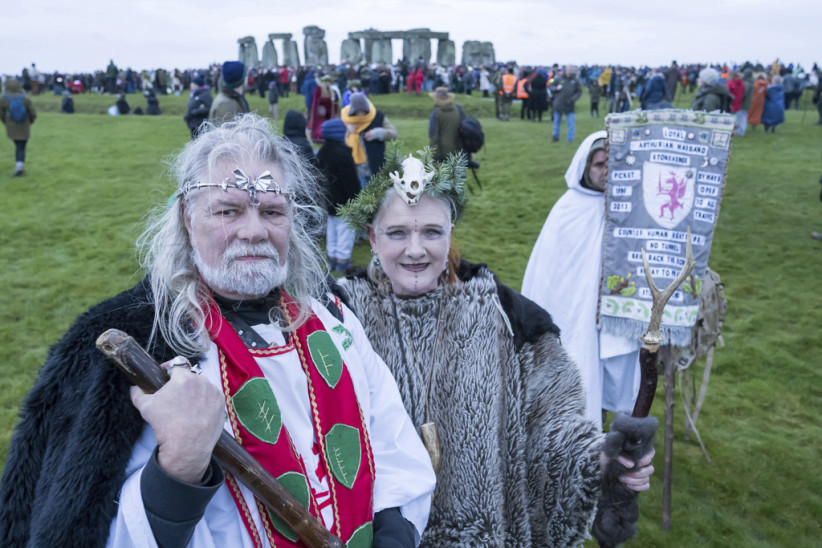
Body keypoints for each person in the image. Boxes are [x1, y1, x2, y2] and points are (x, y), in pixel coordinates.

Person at [0, 114, 435, 547]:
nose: (254, 230)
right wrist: (178, 466)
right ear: (188, 219)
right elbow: (77, 525)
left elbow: (388, 432)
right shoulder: (134, 347)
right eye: (228, 210)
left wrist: (393, 534)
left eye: (271, 211)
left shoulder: (330, 314)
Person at [334, 147, 655, 546]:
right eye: (397, 233)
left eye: (431, 232)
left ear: (450, 232)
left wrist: (600, 459)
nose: (415, 249)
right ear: (372, 237)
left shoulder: (509, 318)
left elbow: (552, 425)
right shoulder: (336, 317)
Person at [522, 132, 642, 428]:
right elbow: (550, 275)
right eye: (600, 164)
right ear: (585, 167)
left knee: (608, 374)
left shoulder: (629, 209)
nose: (607, 172)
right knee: (580, 368)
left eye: (614, 164)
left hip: (613, 308)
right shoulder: (568, 210)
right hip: (573, 311)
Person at [317, 118, 360, 273]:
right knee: (345, 230)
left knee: (332, 228)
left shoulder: (322, 152)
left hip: (330, 199)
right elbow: (351, 179)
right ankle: (343, 261)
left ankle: (333, 258)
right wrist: (356, 197)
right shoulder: (342, 153)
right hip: (345, 199)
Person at [340, 92, 397, 188]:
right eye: (357, 112)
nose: (361, 115)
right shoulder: (347, 120)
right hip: (356, 169)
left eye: (363, 111)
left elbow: (394, 134)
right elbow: (338, 141)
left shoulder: (378, 117)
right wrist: (346, 128)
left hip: (376, 166)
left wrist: (380, 133)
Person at [0, 78, 37, 176]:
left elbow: (1, 114)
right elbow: (33, 112)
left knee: (18, 145)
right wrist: (31, 120)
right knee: (22, 146)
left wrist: (6, 122)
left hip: (11, 126)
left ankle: (19, 166)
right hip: (24, 125)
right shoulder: (24, 98)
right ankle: (20, 166)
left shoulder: (3, 99)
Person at [209, 61, 249, 125]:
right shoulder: (225, 104)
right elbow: (228, 133)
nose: (247, 77)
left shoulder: (233, 97)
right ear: (240, 79)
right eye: (246, 75)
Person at [550, 64, 583, 142]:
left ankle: (570, 139)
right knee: (556, 122)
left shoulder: (575, 80)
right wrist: (556, 88)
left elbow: (579, 91)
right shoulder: (558, 77)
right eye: (569, 69)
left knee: (571, 123)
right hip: (558, 104)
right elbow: (550, 86)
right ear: (566, 70)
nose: (571, 71)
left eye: (572, 69)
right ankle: (555, 137)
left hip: (569, 105)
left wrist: (573, 99)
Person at [427, 86, 461, 161]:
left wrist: (432, 156)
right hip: (457, 151)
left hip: (441, 153)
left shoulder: (436, 113)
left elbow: (433, 136)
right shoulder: (457, 109)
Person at [309, 75, 339, 142]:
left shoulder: (331, 90)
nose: (328, 83)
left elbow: (334, 103)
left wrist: (334, 104)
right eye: (327, 82)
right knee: (321, 128)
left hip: (329, 114)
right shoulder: (319, 89)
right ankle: (318, 137)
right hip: (321, 115)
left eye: (329, 82)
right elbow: (316, 101)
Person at [184, 73, 213, 139]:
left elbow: (210, 107)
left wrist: (196, 112)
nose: (190, 85)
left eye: (192, 83)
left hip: (200, 124)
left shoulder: (205, 94)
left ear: (197, 85)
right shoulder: (195, 93)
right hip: (194, 124)